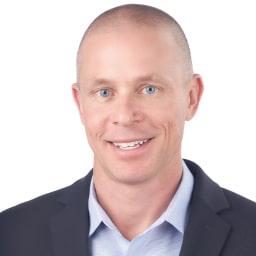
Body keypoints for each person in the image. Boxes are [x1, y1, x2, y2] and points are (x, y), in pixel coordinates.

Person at [1, 4, 256, 256]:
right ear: (80, 104)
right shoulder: (9, 236)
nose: (124, 116)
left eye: (149, 89)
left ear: (191, 97)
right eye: (104, 92)